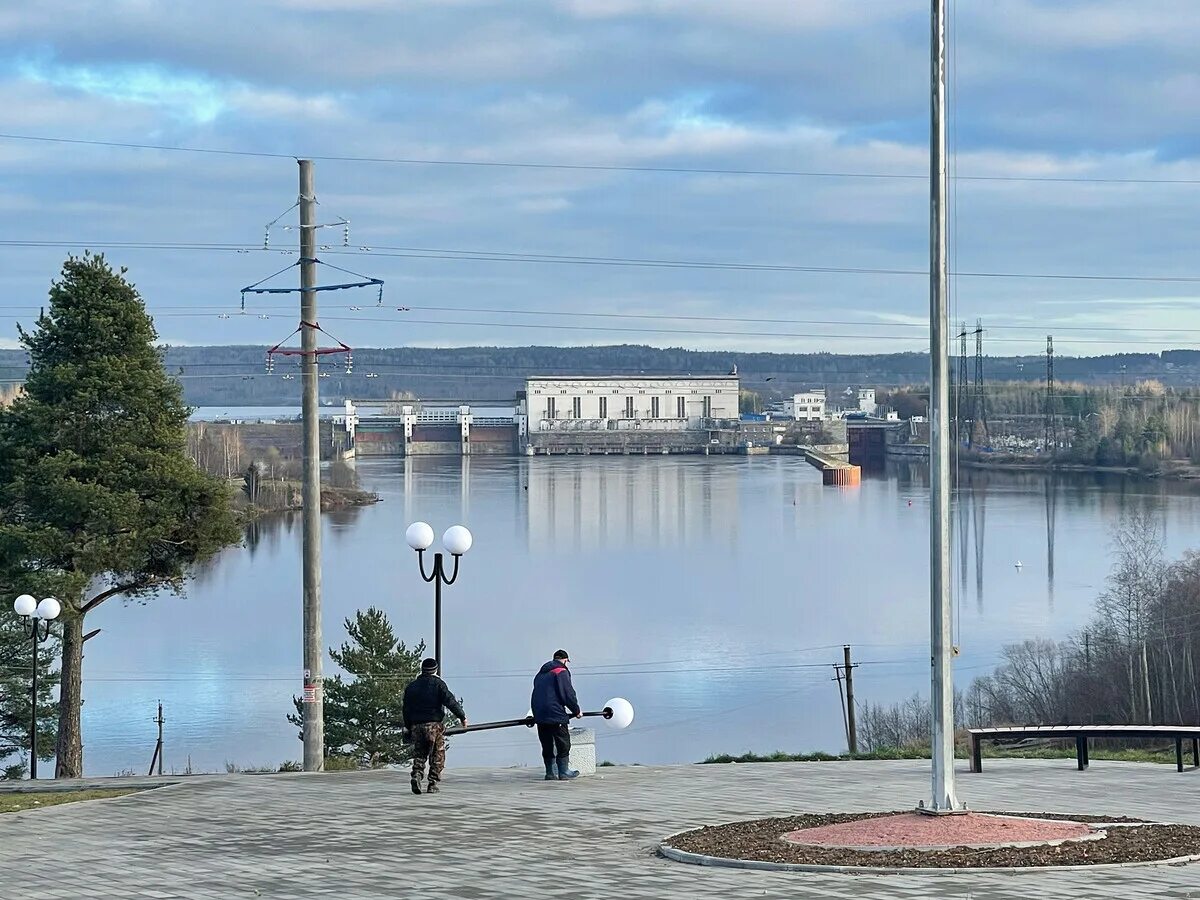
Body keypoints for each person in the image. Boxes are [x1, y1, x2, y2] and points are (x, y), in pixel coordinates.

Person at [402, 658, 467, 795]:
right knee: (437, 754)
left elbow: (406, 709)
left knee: (420, 754)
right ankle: (432, 784)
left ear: (422, 670)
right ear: (435, 670)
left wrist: (408, 726)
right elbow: (450, 701)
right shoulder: (438, 684)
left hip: (416, 726)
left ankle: (417, 775)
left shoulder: (411, 687)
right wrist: (462, 716)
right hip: (434, 726)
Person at [530, 649, 583, 781]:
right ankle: (564, 771)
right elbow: (567, 694)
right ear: (565, 660)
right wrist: (576, 710)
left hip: (540, 714)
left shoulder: (540, 674)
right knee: (563, 743)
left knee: (547, 743)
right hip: (555, 713)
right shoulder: (561, 671)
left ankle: (550, 773)